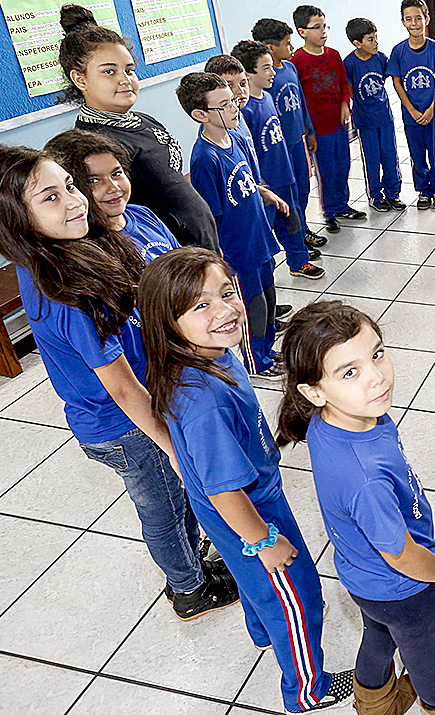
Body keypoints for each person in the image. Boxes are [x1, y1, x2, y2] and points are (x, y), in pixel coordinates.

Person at [0, 144, 238, 621]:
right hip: (124, 427)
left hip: (138, 410)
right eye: (51, 197)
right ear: (15, 220)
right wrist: (173, 446)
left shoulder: (68, 252)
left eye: (69, 186)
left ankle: (191, 554)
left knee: (175, 500)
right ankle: (189, 589)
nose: (75, 201)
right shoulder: (64, 292)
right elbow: (123, 389)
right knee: (164, 508)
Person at [139, 247, 353, 713]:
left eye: (226, 292)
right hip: (251, 515)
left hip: (244, 506)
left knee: (259, 588)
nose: (225, 309)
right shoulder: (203, 401)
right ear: (167, 323)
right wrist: (264, 542)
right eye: (201, 305)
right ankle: (306, 689)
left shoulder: (205, 355)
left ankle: (263, 627)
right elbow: (223, 490)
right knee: (298, 597)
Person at [277, 301, 435, 715]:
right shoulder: (365, 478)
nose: (376, 377)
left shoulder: (336, 419)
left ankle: (375, 703)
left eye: (377, 354)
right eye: (349, 372)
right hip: (406, 588)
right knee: (426, 659)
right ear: (313, 391)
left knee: (377, 635)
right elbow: (401, 555)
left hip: (361, 577)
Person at [60, 5, 218, 251]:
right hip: (171, 257)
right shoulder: (94, 145)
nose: (125, 80)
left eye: (129, 70)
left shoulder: (141, 120)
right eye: (109, 72)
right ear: (80, 79)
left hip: (201, 244)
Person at [177, 72, 285, 376]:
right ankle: (256, 361)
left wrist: (265, 193)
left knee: (268, 297)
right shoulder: (205, 158)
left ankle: (267, 349)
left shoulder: (235, 137)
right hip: (237, 250)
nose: (235, 107)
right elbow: (210, 215)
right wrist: (220, 258)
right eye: (224, 105)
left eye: (232, 101)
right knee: (252, 306)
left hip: (258, 237)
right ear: (201, 115)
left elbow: (248, 181)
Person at [233, 40, 326, 280]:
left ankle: (299, 261)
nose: (272, 72)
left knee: (292, 220)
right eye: (265, 68)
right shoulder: (244, 112)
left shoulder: (267, 97)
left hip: (285, 173)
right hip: (266, 183)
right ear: (248, 74)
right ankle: (265, 277)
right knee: (266, 229)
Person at [44, 129, 181, 263]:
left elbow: (183, 265)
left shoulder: (141, 213)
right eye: (93, 181)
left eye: (116, 174)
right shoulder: (87, 249)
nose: (113, 187)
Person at [252, 17, 326, 251]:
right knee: (287, 196)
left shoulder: (290, 68)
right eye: (287, 43)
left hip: (297, 143)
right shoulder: (265, 81)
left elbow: (300, 102)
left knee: (302, 189)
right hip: (280, 149)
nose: (291, 47)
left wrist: (309, 131)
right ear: (271, 47)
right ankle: (294, 239)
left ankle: (302, 229)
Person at [292, 4, 366, 233]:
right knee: (327, 171)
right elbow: (299, 98)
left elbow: (343, 82)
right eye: (316, 27)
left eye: (325, 26)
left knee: (343, 166)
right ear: (302, 32)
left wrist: (345, 103)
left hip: (338, 125)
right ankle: (330, 212)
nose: (323, 31)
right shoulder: (297, 61)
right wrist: (308, 130)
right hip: (318, 128)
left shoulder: (333, 54)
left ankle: (342, 206)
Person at [388, 0, 435, 209]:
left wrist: (431, 110)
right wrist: (412, 110)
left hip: (434, 115)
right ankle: (423, 190)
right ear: (403, 22)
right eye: (408, 19)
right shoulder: (399, 52)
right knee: (417, 155)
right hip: (411, 117)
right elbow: (397, 82)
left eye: (418, 18)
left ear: (427, 19)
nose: (414, 23)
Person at [343, 17, 405, 213]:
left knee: (390, 155)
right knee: (372, 158)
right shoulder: (350, 63)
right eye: (370, 39)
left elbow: (390, 78)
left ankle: (393, 193)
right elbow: (349, 91)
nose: (376, 42)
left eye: (376, 38)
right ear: (357, 43)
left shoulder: (381, 58)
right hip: (365, 121)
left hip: (385, 117)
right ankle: (375, 196)